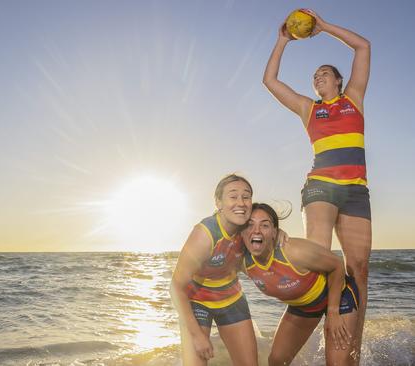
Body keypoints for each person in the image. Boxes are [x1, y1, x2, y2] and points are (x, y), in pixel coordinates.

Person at [262, 8, 372, 360]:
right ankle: (323, 324)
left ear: (338, 81)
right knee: (322, 259)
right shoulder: (310, 109)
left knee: (359, 268)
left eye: (324, 74)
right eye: (315, 76)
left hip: (356, 190)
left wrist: (323, 27)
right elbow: (271, 81)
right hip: (321, 186)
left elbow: (363, 47)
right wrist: (282, 40)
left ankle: (351, 341)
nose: (318, 78)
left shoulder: (353, 99)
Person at [241, 203, 359, 366]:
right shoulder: (243, 262)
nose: (256, 230)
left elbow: (336, 266)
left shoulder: (292, 250)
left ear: (274, 232)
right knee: (276, 361)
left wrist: (333, 312)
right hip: (305, 306)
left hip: (339, 295)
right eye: (250, 224)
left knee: (337, 363)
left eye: (265, 225)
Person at [169, 174, 258, 366]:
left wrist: (278, 232)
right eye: (233, 196)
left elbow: (268, 229)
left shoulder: (250, 226)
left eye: (246, 196)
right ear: (219, 202)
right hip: (197, 301)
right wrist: (197, 336)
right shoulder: (205, 234)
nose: (241, 203)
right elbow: (176, 286)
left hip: (232, 299)